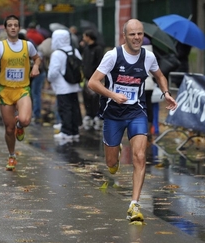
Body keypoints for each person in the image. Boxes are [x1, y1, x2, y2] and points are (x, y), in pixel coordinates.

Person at [88, 19, 177, 223]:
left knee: (139, 156)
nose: (137, 38)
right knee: (111, 164)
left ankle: (134, 205)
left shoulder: (148, 57)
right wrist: (113, 95)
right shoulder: (113, 56)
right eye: (132, 34)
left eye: (140, 34)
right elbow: (92, 82)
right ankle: (115, 152)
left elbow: (160, 75)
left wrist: (166, 92)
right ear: (124, 36)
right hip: (113, 113)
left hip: (137, 111)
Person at [0, 14, 41, 171]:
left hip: (22, 89)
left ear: (19, 27)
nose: (13, 27)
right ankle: (11, 155)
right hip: (6, 90)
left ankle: (20, 124)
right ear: (6, 28)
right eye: (10, 25)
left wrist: (36, 66)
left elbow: (37, 58)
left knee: (26, 120)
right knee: (9, 129)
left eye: (15, 25)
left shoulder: (27, 45)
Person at [47, 29, 82, 142]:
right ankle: (74, 131)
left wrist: (50, 79)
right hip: (74, 85)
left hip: (62, 87)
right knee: (74, 108)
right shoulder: (74, 50)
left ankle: (66, 132)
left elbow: (53, 72)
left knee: (65, 109)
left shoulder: (57, 53)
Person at [81, 29, 104, 130]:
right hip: (86, 77)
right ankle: (88, 114)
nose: (83, 38)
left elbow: (99, 63)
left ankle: (96, 115)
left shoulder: (98, 49)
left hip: (94, 78)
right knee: (86, 96)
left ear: (88, 37)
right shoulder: (86, 48)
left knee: (95, 98)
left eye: (84, 36)